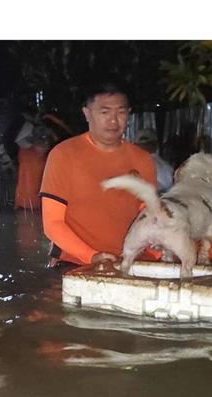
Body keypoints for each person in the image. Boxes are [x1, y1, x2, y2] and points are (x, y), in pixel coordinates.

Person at [39, 81, 156, 267]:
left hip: (130, 263)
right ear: (87, 114)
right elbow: (52, 224)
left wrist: (160, 252)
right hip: (76, 263)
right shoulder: (63, 155)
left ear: (128, 113)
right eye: (105, 112)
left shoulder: (143, 160)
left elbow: (149, 216)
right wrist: (91, 256)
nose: (113, 120)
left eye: (121, 112)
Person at [134, 128, 174, 193]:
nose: (144, 146)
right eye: (142, 144)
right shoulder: (168, 166)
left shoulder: (140, 163)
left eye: (147, 144)